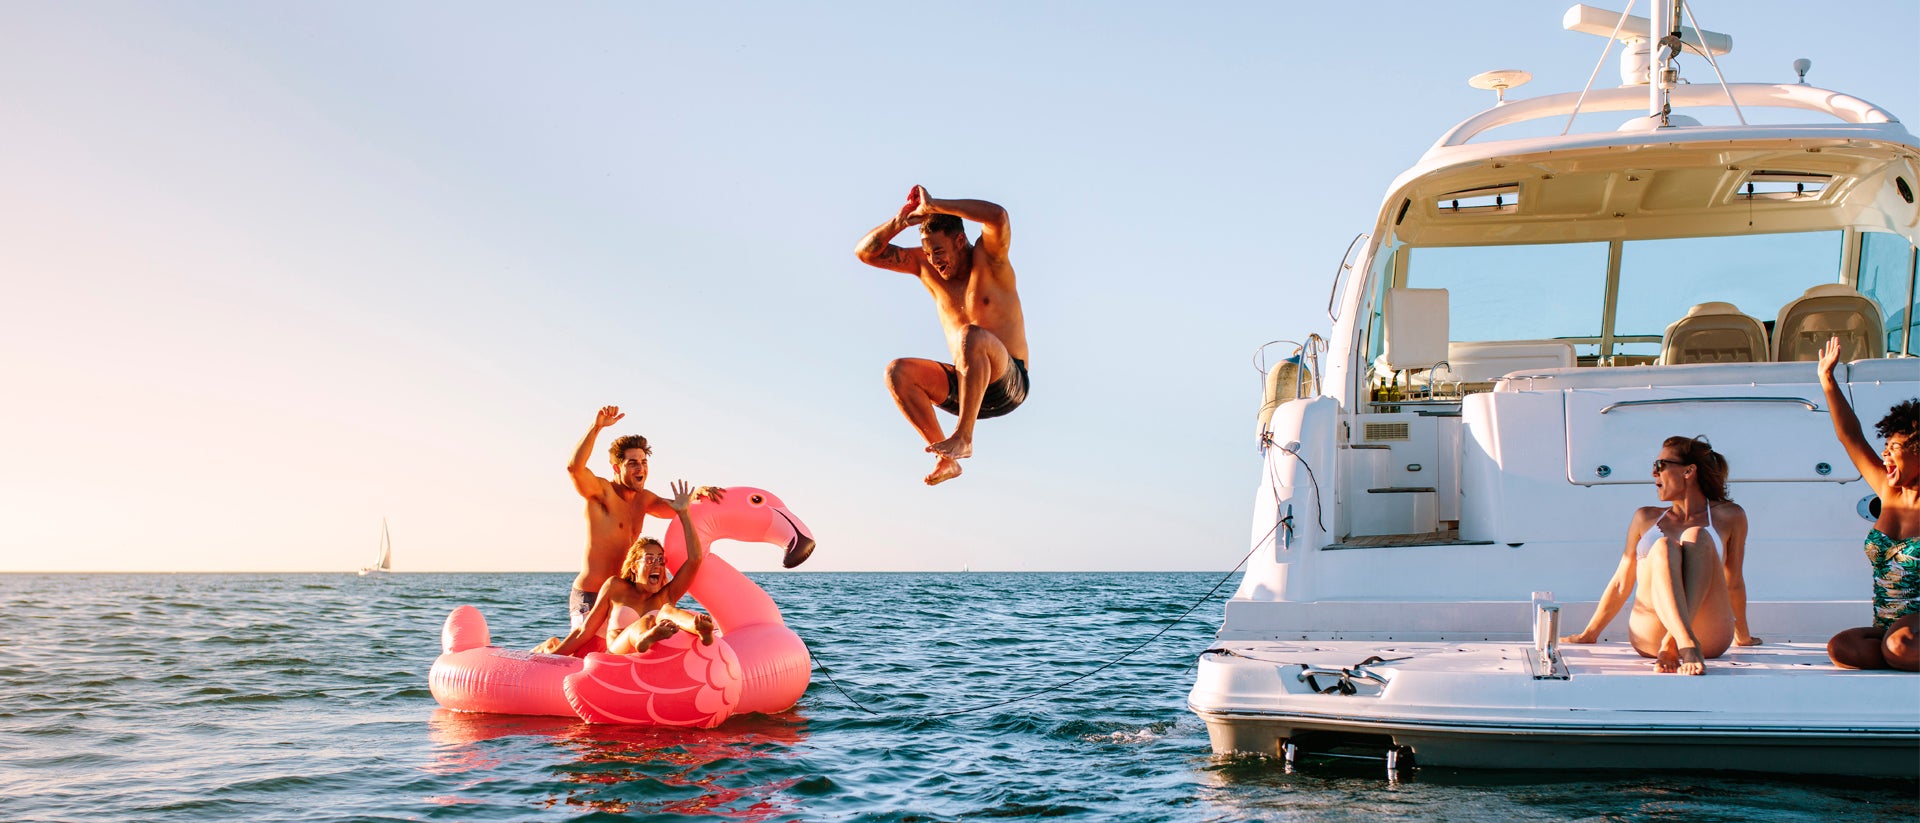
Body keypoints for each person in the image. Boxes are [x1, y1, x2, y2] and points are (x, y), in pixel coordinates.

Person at [855, 185, 1031, 486]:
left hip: (1007, 381)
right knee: (898, 372)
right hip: (965, 384)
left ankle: (964, 437)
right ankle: (945, 459)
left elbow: (998, 216)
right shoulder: (926, 267)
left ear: (960, 241)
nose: (934, 259)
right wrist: (900, 221)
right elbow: (866, 253)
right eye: (927, 252)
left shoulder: (990, 260)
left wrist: (936, 205)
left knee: (971, 335)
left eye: (938, 250)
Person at [1562, 436, 1759, 674]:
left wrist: (1743, 636)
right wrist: (1589, 634)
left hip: (1708, 634)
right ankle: (1684, 641)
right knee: (1663, 546)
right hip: (1652, 636)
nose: (1654, 474)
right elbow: (1621, 582)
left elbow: (1733, 581)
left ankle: (1677, 640)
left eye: (1660, 466)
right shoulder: (1645, 518)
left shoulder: (1730, 516)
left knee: (1697, 536)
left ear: (1688, 471)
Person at [564, 405, 721, 630]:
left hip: (622, 598)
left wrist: (699, 494)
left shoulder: (644, 499)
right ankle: (547, 650)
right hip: (591, 594)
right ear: (617, 468)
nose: (641, 468)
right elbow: (574, 468)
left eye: (644, 462)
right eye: (633, 463)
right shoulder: (601, 493)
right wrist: (596, 427)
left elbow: (676, 508)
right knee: (585, 654)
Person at [1815, 336, 1919, 671]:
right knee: (1842, 648)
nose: (1886, 453)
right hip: (1886, 623)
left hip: (1913, 628)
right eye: (1886, 445)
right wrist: (1828, 381)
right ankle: (1898, 654)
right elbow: (1851, 436)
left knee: (1900, 646)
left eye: (1895, 446)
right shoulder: (1888, 491)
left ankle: (1899, 652)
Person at [534, 480, 717, 656]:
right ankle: (645, 637)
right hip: (616, 654)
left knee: (668, 611)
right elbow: (585, 631)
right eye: (650, 558)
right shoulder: (615, 587)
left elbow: (695, 559)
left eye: (661, 560)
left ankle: (700, 628)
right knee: (646, 621)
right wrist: (554, 658)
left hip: (648, 662)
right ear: (635, 566)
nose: (657, 564)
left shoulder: (665, 595)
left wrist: (684, 513)